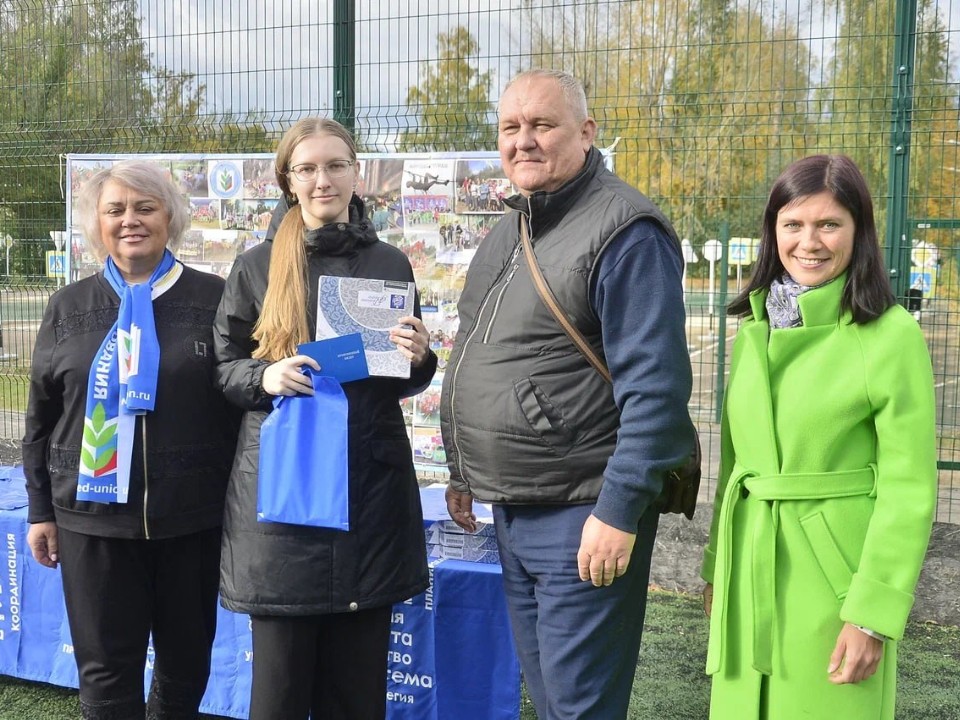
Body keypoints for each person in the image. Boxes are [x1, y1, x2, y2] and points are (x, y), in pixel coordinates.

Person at [440, 69, 696, 719]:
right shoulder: (510, 231)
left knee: (580, 706)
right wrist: (463, 470)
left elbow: (656, 391)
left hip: (583, 512)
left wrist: (617, 510)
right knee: (552, 699)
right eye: (510, 127)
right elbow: (484, 353)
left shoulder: (624, 230)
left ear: (586, 132)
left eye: (542, 125)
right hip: (514, 507)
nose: (523, 141)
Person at [213, 117, 436, 720]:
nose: (322, 180)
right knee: (280, 698)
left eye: (335, 165)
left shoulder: (389, 261)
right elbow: (225, 367)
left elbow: (400, 376)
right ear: (288, 180)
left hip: (368, 497)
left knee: (356, 699)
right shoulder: (256, 266)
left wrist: (420, 358)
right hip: (281, 509)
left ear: (356, 172)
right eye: (307, 168)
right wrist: (265, 377)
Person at [700, 154, 937, 719]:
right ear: (772, 232)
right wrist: (716, 568)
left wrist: (870, 612)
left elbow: (909, 489)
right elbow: (737, 465)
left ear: (860, 233)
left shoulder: (891, 336)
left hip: (835, 585)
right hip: (746, 565)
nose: (810, 241)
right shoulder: (751, 334)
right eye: (793, 224)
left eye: (829, 224)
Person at [23, 160, 237, 719]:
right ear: (97, 223)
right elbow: (41, 418)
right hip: (91, 523)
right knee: (105, 680)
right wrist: (40, 510)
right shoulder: (68, 306)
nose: (130, 220)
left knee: (184, 671)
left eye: (146, 207)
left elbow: (240, 399)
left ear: (171, 217)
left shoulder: (215, 298)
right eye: (115, 209)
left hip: (191, 522)